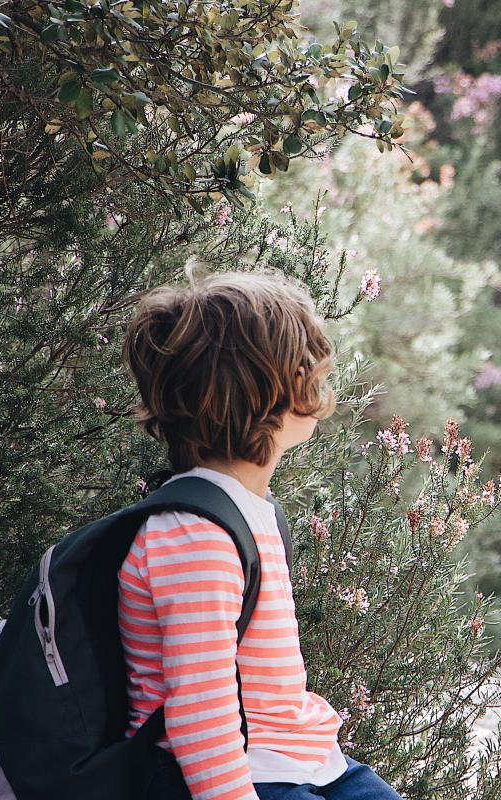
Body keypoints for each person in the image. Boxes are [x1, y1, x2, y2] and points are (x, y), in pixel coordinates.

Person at [118, 270, 403, 800]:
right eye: (310, 368)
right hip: (239, 779)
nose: (322, 380)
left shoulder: (249, 510)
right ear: (269, 392)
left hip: (302, 761)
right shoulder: (194, 536)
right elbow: (200, 720)